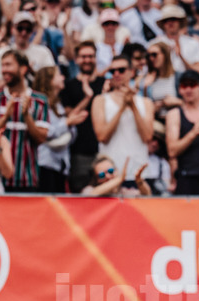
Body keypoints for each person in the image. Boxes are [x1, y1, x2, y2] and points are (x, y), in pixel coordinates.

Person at [92, 53, 152, 189]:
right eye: (112, 71)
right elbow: (102, 136)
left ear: (132, 72)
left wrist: (133, 106)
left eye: (121, 70)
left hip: (138, 172)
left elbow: (147, 136)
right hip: (110, 175)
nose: (116, 74)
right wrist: (122, 107)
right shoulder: (100, 100)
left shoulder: (146, 103)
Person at [0, 49, 49, 192]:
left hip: (28, 179)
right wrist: (5, 117)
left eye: (8, 65)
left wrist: (27, 116)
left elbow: (41, 138)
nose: (4, 70)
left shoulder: (39, 100)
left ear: (23, 69)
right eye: (2, 65)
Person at [35, 64, 86, 193]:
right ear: (49, 80)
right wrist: (67, 123)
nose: (63, 77)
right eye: (58, 75)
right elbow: (46, 133)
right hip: (45, 163)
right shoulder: (39, 104)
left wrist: (72, 124)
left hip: (61, 165)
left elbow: (68, 136)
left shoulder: (58, 105)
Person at [62, 41, 102, 193]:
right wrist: (87, 97)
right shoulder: (68, 86)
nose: (87, 60)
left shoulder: (104, 83)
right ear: (77, 59)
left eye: (91, 56)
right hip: (79, 153)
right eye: (84, 56)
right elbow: (69, 117)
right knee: (81, 196)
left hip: (103, 150)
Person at [0, 11, 55, 91]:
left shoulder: (43, 52)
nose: (24, 32)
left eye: (28, 29)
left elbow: (53, 81)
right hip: (9, 98)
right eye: (20, 28)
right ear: (12, 29)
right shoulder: (1, 53)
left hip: (36, 98)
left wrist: (33, 73)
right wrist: (15, 75)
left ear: (32, 31)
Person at [151, 4, 199, 75]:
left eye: (173, 19)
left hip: (187, 83)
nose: (170, 23)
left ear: (180, 21)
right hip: (165, 83)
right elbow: (150, 70)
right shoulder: (155, 44)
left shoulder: (193, 42)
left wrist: (181, 56)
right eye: (166, 20)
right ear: (163, 24)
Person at [80, 153, 152, 196]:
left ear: (116, 171)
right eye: (102, 175)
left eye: (110, 171)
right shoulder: (89, 190)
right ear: (97, 180)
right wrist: (120, 179)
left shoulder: (124, 192)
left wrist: (140, 181)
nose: (107, 176)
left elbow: (146, 196)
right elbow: (91, 195)